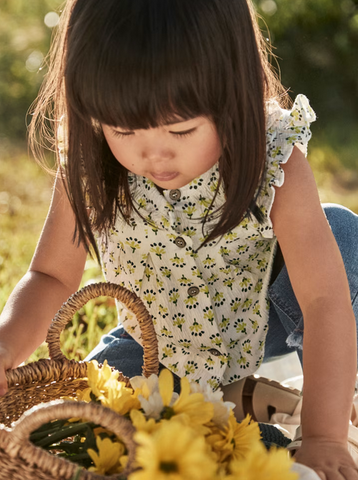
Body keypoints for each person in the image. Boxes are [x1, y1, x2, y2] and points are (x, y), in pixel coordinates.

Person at [1, 0, 357, 477]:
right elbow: (48, 274)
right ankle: (252, 407)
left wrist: (323, 438)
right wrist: (6, 347)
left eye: (182, 128)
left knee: (342, 235)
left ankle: (328, 397)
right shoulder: (91, 169)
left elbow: (323, 301)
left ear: (235, 97)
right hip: (153, 350)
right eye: (123, 129)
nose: (154, 154)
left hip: (260, 324)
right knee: (93, 427)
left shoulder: (273, 160)